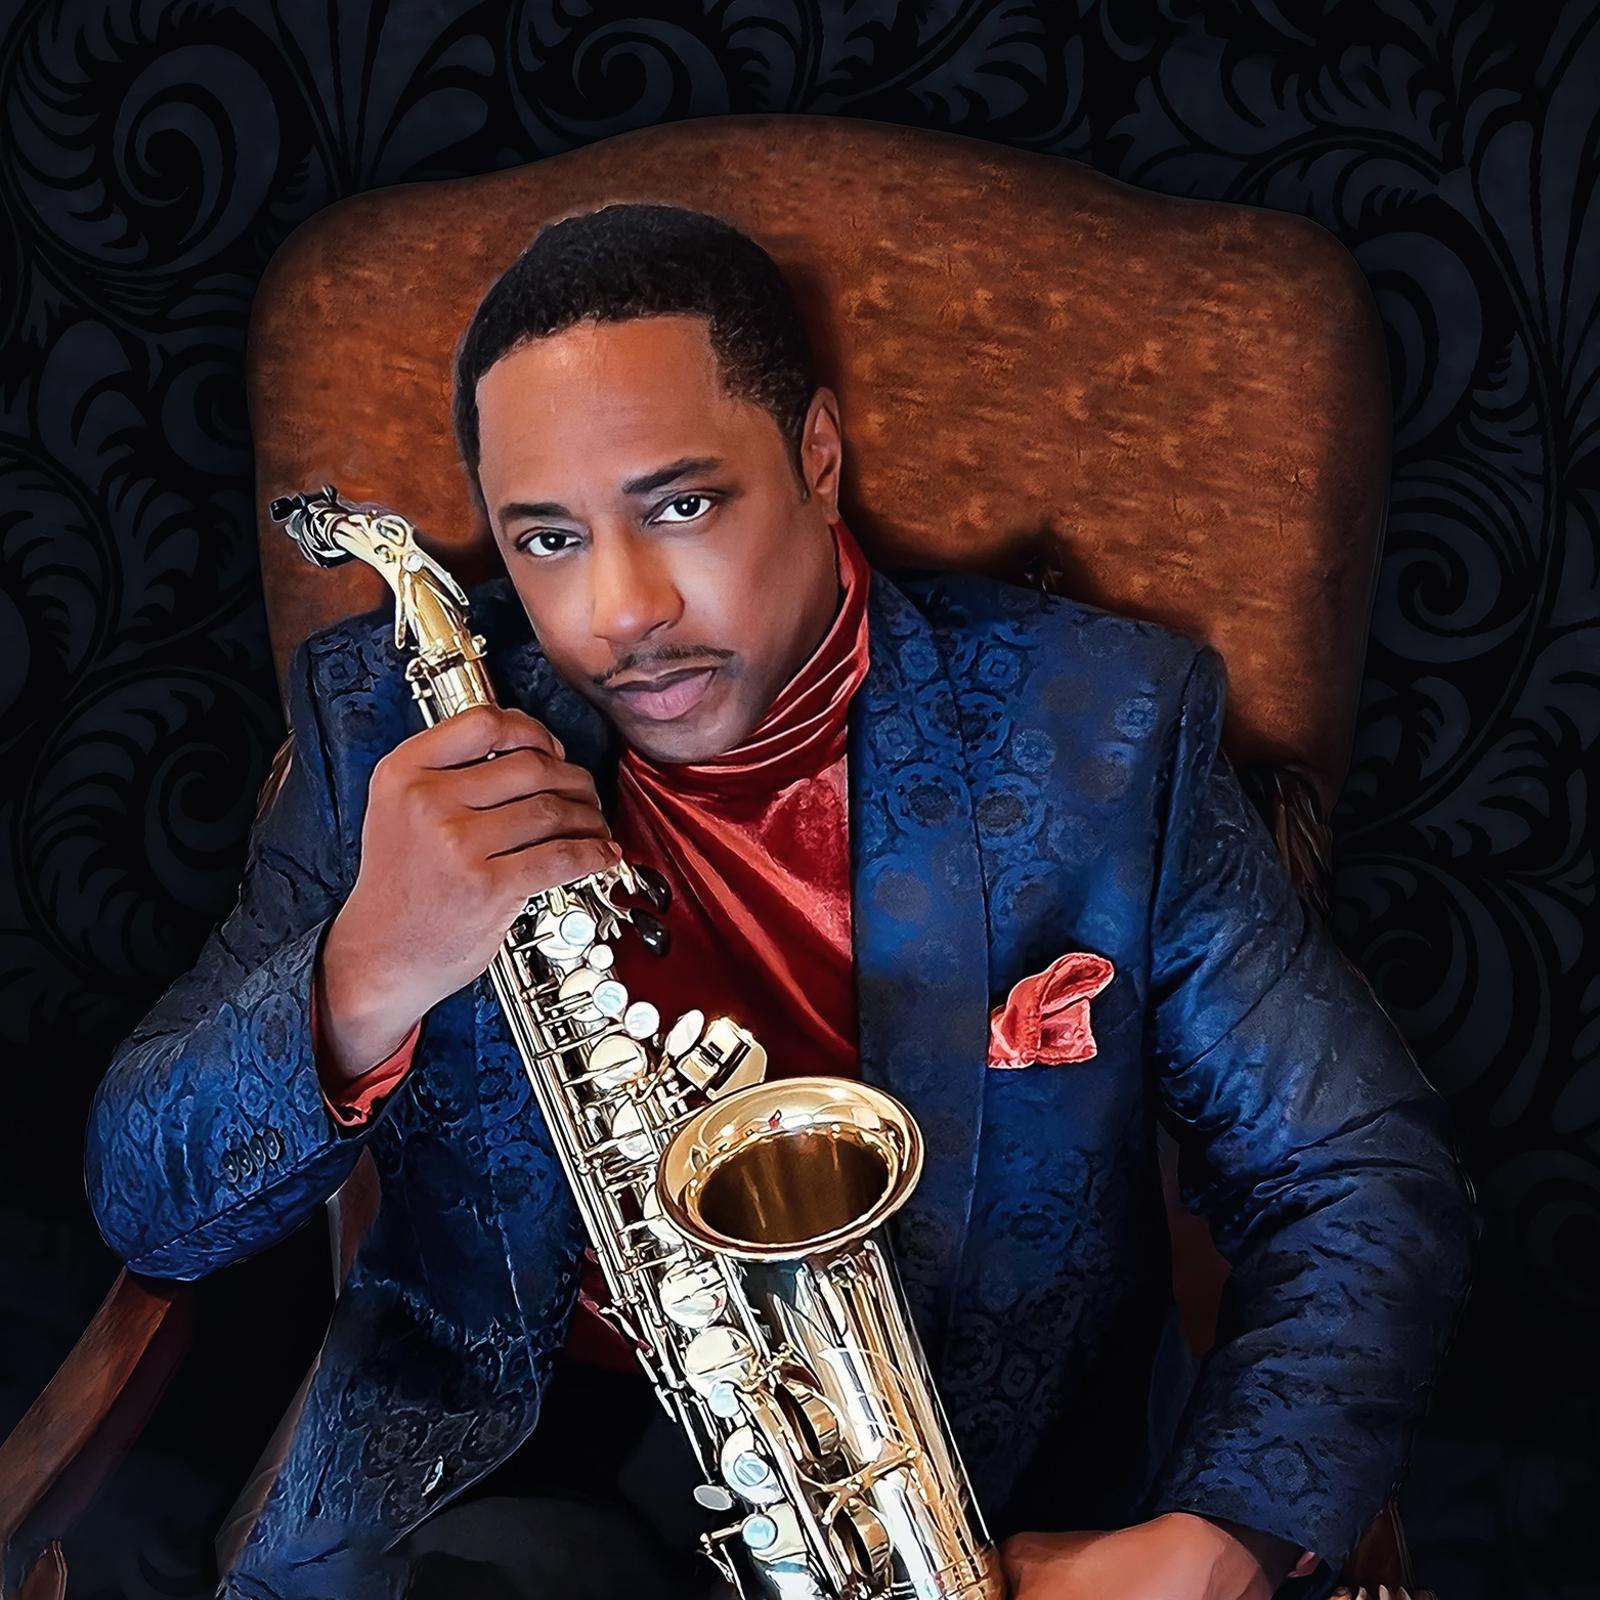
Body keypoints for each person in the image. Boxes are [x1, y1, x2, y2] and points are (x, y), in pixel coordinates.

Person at [86, 203, 1474, 1600]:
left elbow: (1359, 1174)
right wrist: (366, 969)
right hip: (502, 1474)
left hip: (965, 1506)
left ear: (815, 456)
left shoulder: (1098, 733)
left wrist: (1217, 1541)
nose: (621, 610)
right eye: (547, 538)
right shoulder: (388, 724)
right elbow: (148, 1205)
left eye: (682, 506)